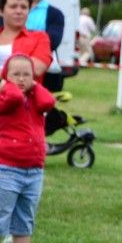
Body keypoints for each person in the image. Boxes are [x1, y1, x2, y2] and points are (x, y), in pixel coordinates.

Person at [0, 55, 54, 243]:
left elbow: (49, 102)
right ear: (5, 76)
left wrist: (36, 86)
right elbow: (14, 97)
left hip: (33, 172)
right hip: (6, 169)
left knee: (24, 223)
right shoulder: (5, 98)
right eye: (16, 74)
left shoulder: (36, 99)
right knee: (1, 219)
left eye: (26, 74)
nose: (22, 79)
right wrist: (7, 86)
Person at [20, 0, 63, 92]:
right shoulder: (8, 10)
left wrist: (19, 41)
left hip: (43, 76)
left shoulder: (55, 14)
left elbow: (53, 42)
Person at [0, 0, 50, 82]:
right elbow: (26, 69)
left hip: (24, 95)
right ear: (1, 11)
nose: (19, 11)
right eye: (13, 7)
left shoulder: (40, 38)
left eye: (24, 7)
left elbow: (37, 69)